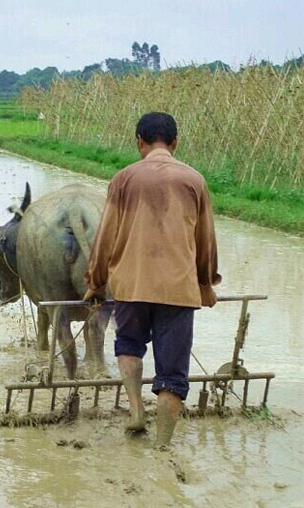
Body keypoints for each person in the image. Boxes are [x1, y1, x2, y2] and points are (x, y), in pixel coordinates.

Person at [83, 111, 221, 448]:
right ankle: (162, 445)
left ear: (139, 142)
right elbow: (205, 239)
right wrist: (205, 285)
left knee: (129, 343)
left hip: (131, 284)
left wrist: (96, 283)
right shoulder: (195, 181)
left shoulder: (124, 179)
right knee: (172, 373)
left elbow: (105, 236)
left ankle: (135, 411)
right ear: (174, 143)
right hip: (179, 288)